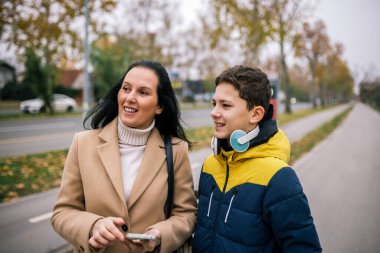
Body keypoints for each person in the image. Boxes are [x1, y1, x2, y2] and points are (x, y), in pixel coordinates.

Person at [51, 60, 197, 253]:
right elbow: (62, 213)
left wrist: (160, 234)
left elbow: (186, 214)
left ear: (159, 106)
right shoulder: (82, 144)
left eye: (143, 92)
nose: (130, 98)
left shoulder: (177, 150)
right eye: (126, 89)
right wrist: (93, 226)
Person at [192, 65, 322, 253]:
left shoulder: (279, 177)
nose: (214, 112)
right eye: (214, 104)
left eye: (225, 105)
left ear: (256, 114)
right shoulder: (210, 165)